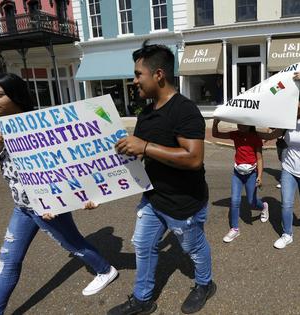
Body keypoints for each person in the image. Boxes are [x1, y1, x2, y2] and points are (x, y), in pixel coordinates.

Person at [0, 73, 118, 315]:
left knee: (75, 245)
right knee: (8, 262)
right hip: (22, 208)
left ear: (17, 96)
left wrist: (68, 198)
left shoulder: (44, 125)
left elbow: (69, 164)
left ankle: (105, 270)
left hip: (49, 206)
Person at [110, 41, 215, 315]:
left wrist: (144, 146)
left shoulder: (185, 110)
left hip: (184, 203)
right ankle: (143, 300)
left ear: (159, 75)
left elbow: (194, 158)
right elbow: (140, 156)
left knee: (193, 248)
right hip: (153, 198)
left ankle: (204, 284)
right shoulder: (145, 113)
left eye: (137, 74)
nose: (134, 81)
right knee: (143, 246)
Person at [259, 73, 300, 249]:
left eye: (293, 101)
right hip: (288, 168)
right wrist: (251, 132)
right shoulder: (287, 122)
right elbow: (271, 135)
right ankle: (287, 234)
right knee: (286, 204)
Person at [211, 119, 269, 243]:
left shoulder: (255, 137)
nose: (240, 126)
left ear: (249, 124)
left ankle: (264, 206)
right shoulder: (235, 134)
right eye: (239, 123)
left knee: (251, 202)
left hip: (251, 174)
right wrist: (216, 123)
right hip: (237, 174)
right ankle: (235, 229)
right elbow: (215, 134)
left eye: (243, 123)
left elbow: (259, 158)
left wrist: (260, 176)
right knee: (235, 201)